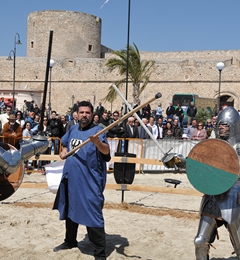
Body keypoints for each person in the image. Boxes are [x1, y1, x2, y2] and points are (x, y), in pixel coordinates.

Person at [53, 100, 110, 260]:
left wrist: (98, 142)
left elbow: (106, 153)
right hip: (71, 180)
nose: (84, 115)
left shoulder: (99, 131)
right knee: (71, 210)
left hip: (89, 182)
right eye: (82, 112)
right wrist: (63, 152)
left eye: (88, 112)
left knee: (93, 213)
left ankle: (100, 253)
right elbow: (65, 144)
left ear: (92, 115)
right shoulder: (72, 129)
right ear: (76, 114)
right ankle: (70, 241)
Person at [193, 107, 240, 260]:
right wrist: (180, 162)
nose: (221, 128)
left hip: (234, 198)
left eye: (225, 125)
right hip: (212, 197)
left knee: (239, 245)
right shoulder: (212, 146)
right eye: (219, 125)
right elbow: (198, 164)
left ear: (234, 126)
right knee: (200, 241)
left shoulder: (239, 148)